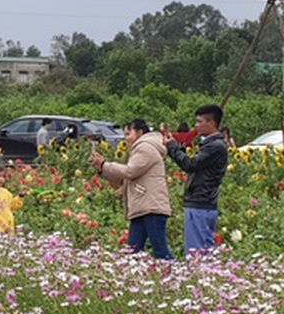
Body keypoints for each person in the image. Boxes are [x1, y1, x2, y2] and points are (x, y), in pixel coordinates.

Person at [89, 119, 174, 260]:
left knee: (160, 251)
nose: (125, 138)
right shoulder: (143, 148)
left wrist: (105, 164)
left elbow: (130, 172)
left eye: (128, 134)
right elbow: (126, 179)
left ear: (140, 132)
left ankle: (177, 276)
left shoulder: (145, 148)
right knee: (132, 251)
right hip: (142, 206)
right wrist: (101, 168)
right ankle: (131, 278)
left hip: (151, 206)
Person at [164, 104, 228, 256]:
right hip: (203, 203)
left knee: (197, 254)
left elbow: (190, 164)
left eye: (199, 122)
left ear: (211, 123)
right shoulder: (211, 144)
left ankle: (200, 277)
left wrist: (172, 148)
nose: (196, 126)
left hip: (201, 202)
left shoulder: (215, 146)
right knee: (203, 250)